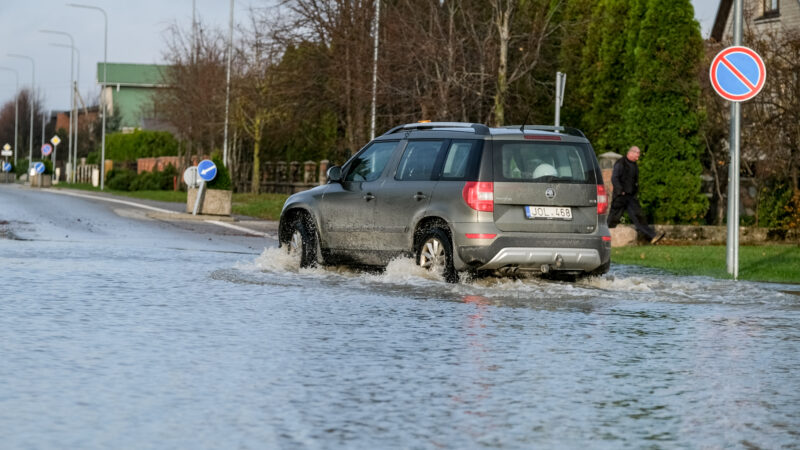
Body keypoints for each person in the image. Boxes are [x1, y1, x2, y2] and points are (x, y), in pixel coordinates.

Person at [608, 146, 665, 244]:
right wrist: (620, 190)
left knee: (639, 216)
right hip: (620, 196)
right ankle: (604, 237)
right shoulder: (620, 163)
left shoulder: (634, 165)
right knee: (613, 217)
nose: (638, 158)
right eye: (637, 155)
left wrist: (635, 191)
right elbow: (614, 178)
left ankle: (653, 236)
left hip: (631, 197)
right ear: (631, 153)